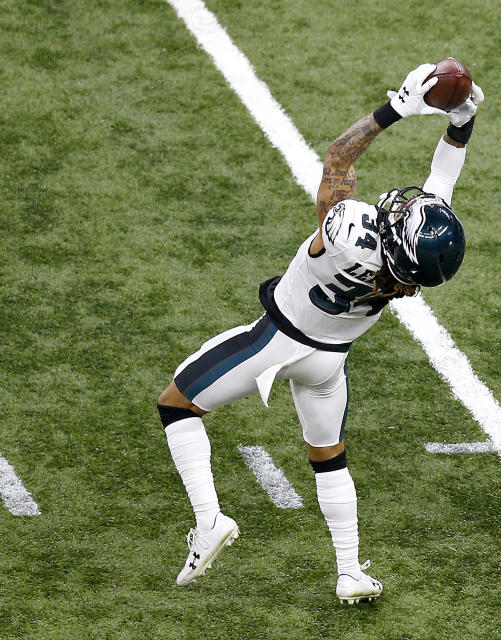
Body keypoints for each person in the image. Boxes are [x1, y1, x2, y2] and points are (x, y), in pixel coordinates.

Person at [156, 62, 483, 601]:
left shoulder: (349, 233)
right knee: (328, 456)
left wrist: (396, 110)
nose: (404, 202)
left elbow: (339, 156)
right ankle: (349, 570)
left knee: (176, 405)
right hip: (331, 358)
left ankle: (209, 520)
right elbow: (441, 182)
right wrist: (460, 121)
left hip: (276, 342)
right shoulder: (413, 270)